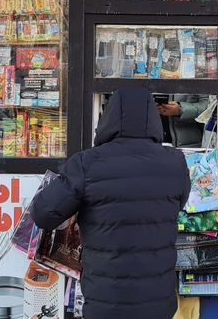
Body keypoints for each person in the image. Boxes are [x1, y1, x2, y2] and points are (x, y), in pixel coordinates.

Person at [30, 88, 190, 319]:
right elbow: (179, 202)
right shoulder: (175, 162)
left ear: (109, 118)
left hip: (105, 303)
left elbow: (44, 214)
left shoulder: (86, 164)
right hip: (159, 303)